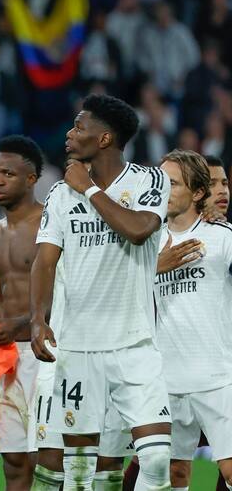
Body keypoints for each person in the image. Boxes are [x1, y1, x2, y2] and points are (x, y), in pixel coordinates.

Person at [30, 94, 172, 490]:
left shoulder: (149, 180)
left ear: (105, 138)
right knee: (79, 473)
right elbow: (44, 262)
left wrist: (90, 190)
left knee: (157, 458)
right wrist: (38, 318)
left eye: (79, 127)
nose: (69, 134)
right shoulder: (60, 193)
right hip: (76, 348)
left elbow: (139, 229)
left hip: (134, 344)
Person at [152, 150, 232, 491]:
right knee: (173, 473)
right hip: (166, 379)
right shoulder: (148, 241)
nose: (162, 190)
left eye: (171, 184)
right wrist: (154, 267)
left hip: (217, 376)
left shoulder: (222, 237)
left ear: (197, 193)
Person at [0, 135, 47, 490]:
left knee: (45, 459)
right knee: (13, 460)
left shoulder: (49, 225)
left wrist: (21, 325)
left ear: (32, 178)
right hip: (8, 357)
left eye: (8, 174)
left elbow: (65, 295)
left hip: (45, 354)